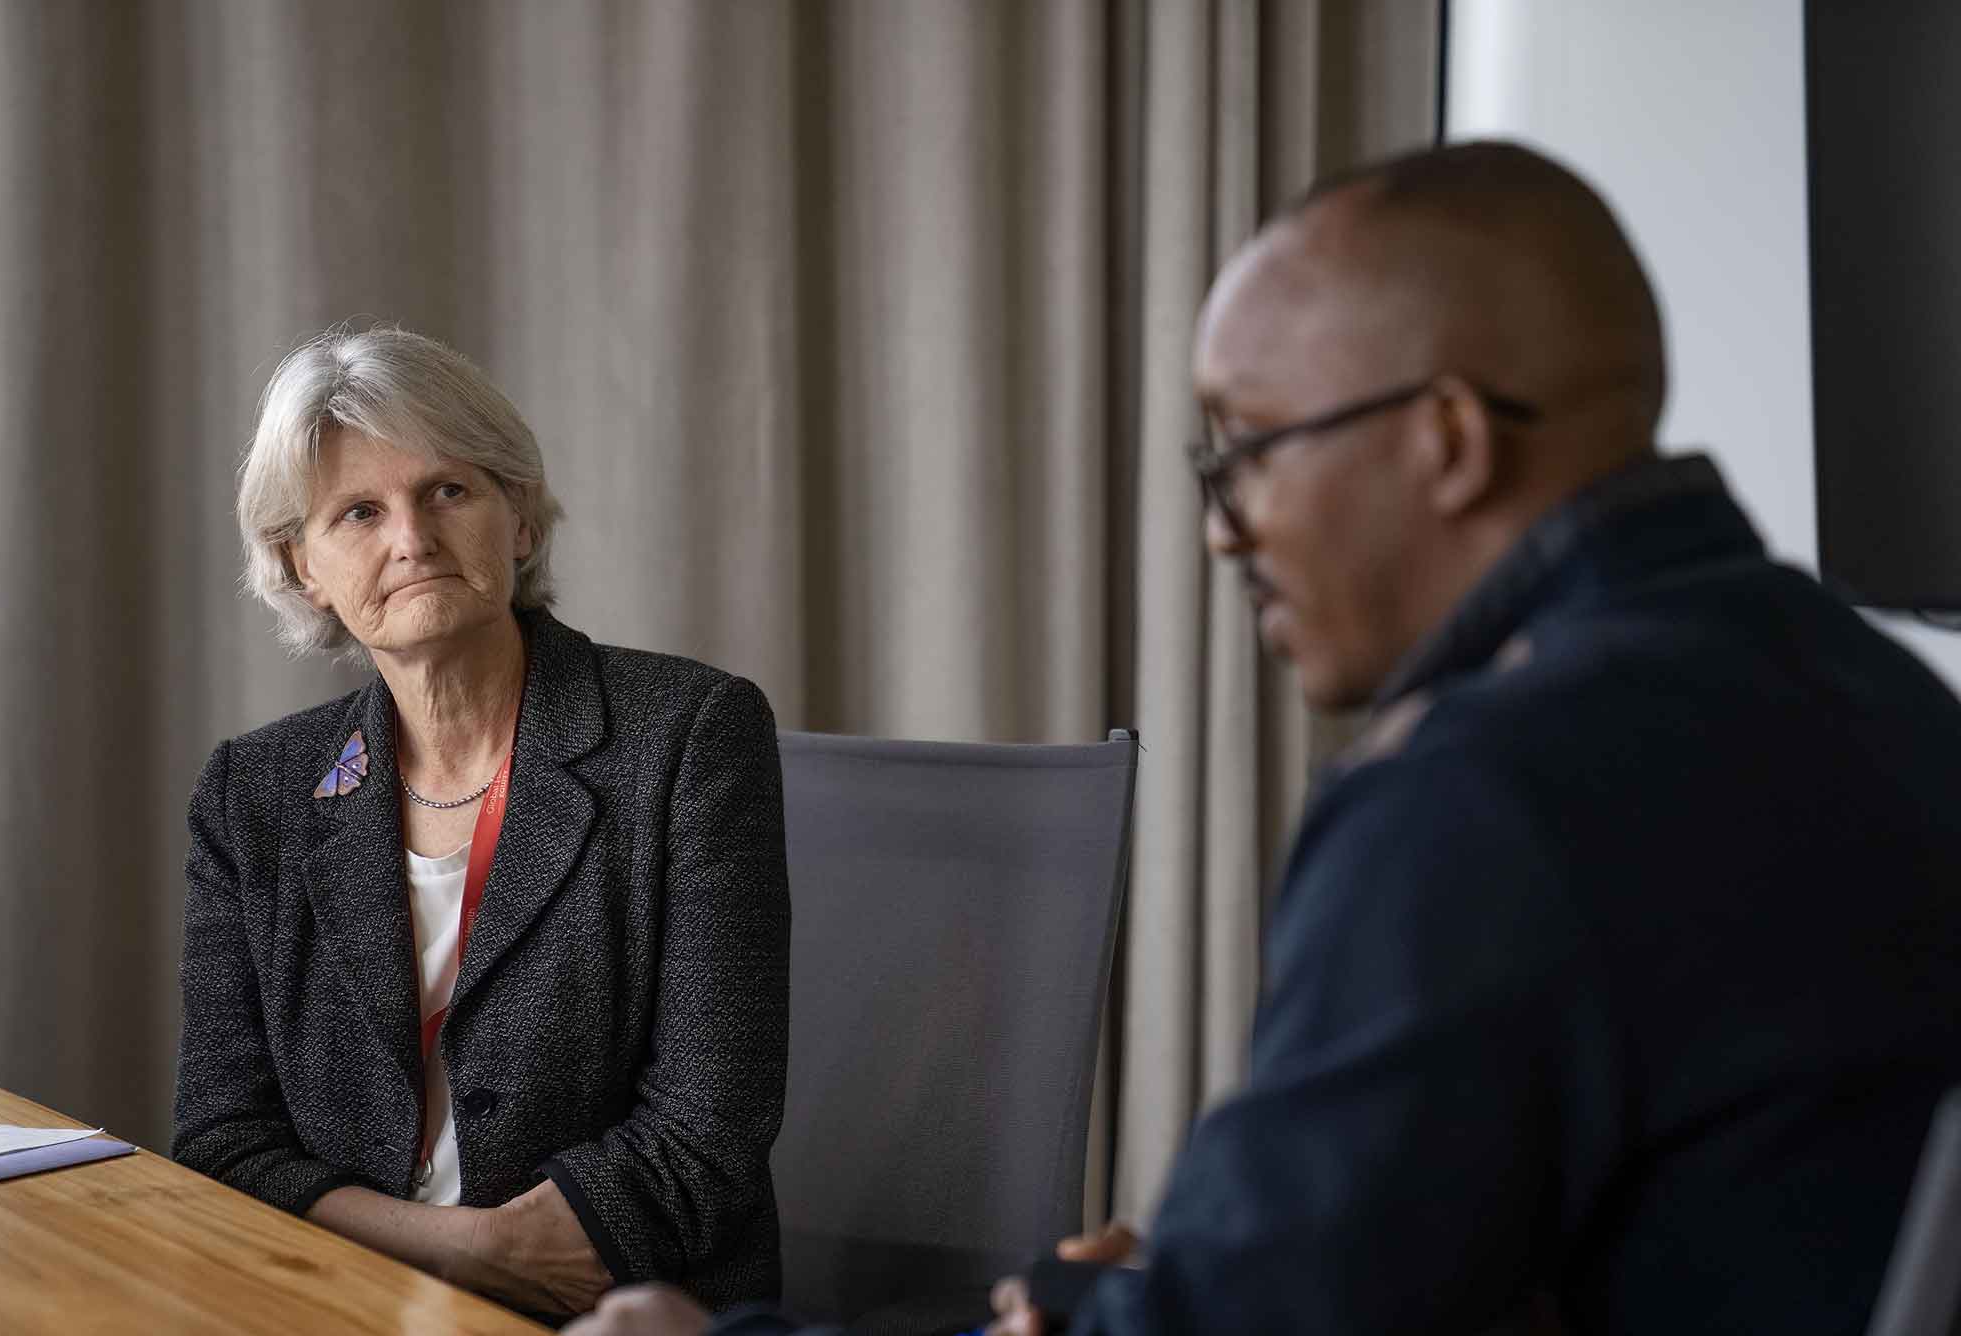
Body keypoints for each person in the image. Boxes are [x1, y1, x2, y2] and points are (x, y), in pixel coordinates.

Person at [569, 140, 1961, 1335]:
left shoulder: (1483, 798)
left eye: (1244, 449)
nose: (1225, 526)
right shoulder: (1889, 704)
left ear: (1450, 442)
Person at [172, 326, 790, 1320]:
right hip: (338, 1298)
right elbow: (223, 1139)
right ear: (303, 567)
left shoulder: (687, 735)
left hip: (612, 1302)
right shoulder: (254, 792)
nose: (410, 537)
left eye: (447, 492)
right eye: (359, 512)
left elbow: (708, 1125)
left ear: (521, 522)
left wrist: (520, 1262)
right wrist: (469, 1250)